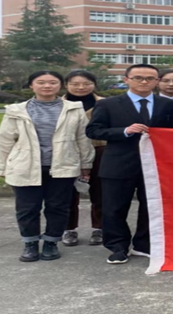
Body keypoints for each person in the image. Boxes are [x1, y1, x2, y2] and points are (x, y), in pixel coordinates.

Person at [0, 71, 94, 262]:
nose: (47, 86)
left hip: (63, 165)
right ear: (31, 85)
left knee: (58, 207)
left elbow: (83, 139)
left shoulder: (73, 109)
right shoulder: (16, 110)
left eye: (52, 82)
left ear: (60, 85)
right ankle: (30, 244)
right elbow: (5, 139)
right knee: (27, 208)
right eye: (41, 82)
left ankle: (51, 243)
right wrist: (1, 166)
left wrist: (86, 164)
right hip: (25, 165)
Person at [86, 64, 173, 265]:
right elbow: (93, 131)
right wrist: (124, 131)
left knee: (151, 206)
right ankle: (117, 246)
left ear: (157, 81)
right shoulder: (108, 104)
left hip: (155, 164)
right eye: (138, 78)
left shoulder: (168, 105)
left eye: (149, 78)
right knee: (114, 208)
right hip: (118, 163)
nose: (144, 82)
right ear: (126, 79)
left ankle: (143, 245)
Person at [62, 70, 106, 247]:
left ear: (94, 84)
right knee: (67, 193)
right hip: (67, 151)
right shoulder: (58, 104)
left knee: (101, 192)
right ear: (66, 85)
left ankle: (100, 228)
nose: (81, 87)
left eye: (87, 83)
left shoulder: (106, 103)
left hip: (100, 149)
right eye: (75, 84)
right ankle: (68, 228)